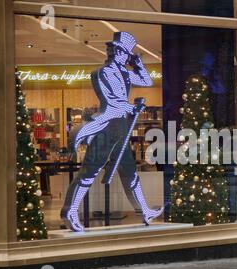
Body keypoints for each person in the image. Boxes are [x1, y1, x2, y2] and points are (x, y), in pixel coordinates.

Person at [60, 32, 164, 231]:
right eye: (126, 54)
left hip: (120, 129)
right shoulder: (104, 72)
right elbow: (113, 103)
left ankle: (144, 211)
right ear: (118, 52)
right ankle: (71, 210)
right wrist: (131, 108)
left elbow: (147, 81)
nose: (127, 57)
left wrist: (137, 63)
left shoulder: (124, 72)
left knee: (130, 172)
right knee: (89, 171)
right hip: (106, 127)